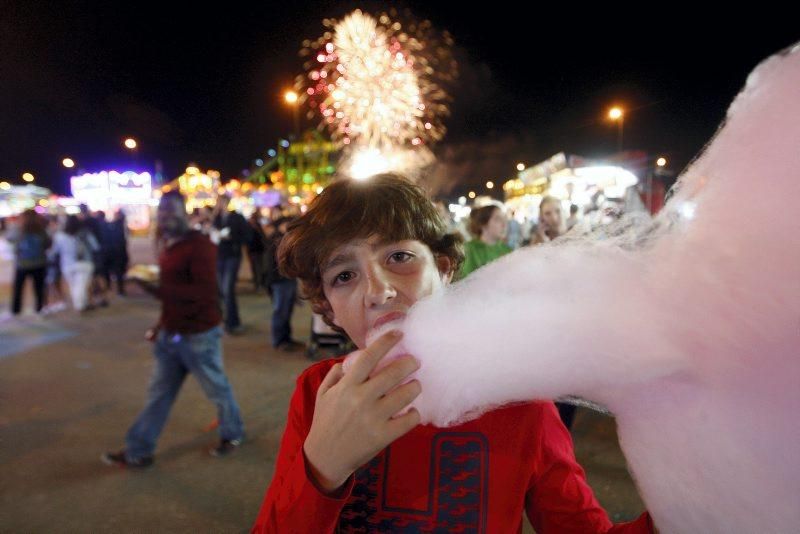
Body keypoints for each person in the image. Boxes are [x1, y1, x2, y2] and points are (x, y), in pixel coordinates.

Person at [251, 174, 654, 532]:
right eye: (344, 276)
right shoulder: (320, 393)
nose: (378, 290)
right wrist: (322, 467)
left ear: (443, 270)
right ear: (330, 310)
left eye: (399, 257)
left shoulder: (519, 401)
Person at [102, 191, 245, 468]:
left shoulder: (200, 245)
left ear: (184, 213)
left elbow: (203, 292)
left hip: (200, 335)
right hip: (172, 334)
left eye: (172, 211)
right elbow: (173, 296)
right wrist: (161, 325)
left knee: (217, 389)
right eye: (163, 211)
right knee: (159, 395)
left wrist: (155, 288)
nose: (166, 217)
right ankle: (138, 450)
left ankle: (233, 433)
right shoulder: (170, 245)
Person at [212, 195, 252, 334]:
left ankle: (233, 322)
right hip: (219, 256)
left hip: (232, 256)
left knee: (227, 289)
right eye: (218, 202)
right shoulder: (216, 218)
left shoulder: (237, 217)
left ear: (227, 203)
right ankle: (225, 320)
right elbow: (211, 232)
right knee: (221, 290)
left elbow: (247, 236)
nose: (219, 205)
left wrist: (232, 238)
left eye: (221, 202)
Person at [263, 216, 303, 352]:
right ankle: (279, 341)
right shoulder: (276, 240)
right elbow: (272, 264)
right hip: (280, 281)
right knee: (281, 311)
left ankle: (286, 338)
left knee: (287, 310)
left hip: (286, 279)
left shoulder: (284, 239)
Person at [7, 209, 51, 316]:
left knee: (18, 288)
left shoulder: (18, 229)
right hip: (39, 262)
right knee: (39, 288)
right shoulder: (41, 229)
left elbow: (10, 239)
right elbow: (48, 243)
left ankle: (16, 310)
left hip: (22, 263)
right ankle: (39, 309)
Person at [50, 215, 96, 312]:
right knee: (81, 285)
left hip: (67, 265)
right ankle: (80, 305)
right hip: (85, 263)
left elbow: (54, 251)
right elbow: (95, 246)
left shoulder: (60, 236)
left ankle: (83, 303)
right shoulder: (85, 233)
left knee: (74, 285)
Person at [459, 203, 512, 278]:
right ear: (483, 224)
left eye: (504, 219)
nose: (504, 224)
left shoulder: (507, 250)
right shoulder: (468, 250)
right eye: (498, 219)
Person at [103, 209, 129, 296]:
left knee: (111, 271)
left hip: (110, 252)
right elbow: (124, 242)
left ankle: (110, 287)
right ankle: (119, 290)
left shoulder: (110, 226)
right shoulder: (121, 226)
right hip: (118, 252)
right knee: (119, 272)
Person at [246, 212, 268, 291]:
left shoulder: (257, 227)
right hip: (253, 250)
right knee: (256, 268)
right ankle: (258, 284)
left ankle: (260, 284)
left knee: (259, 267)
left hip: (258, 250)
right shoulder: (250, 227)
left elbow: (262, 238)